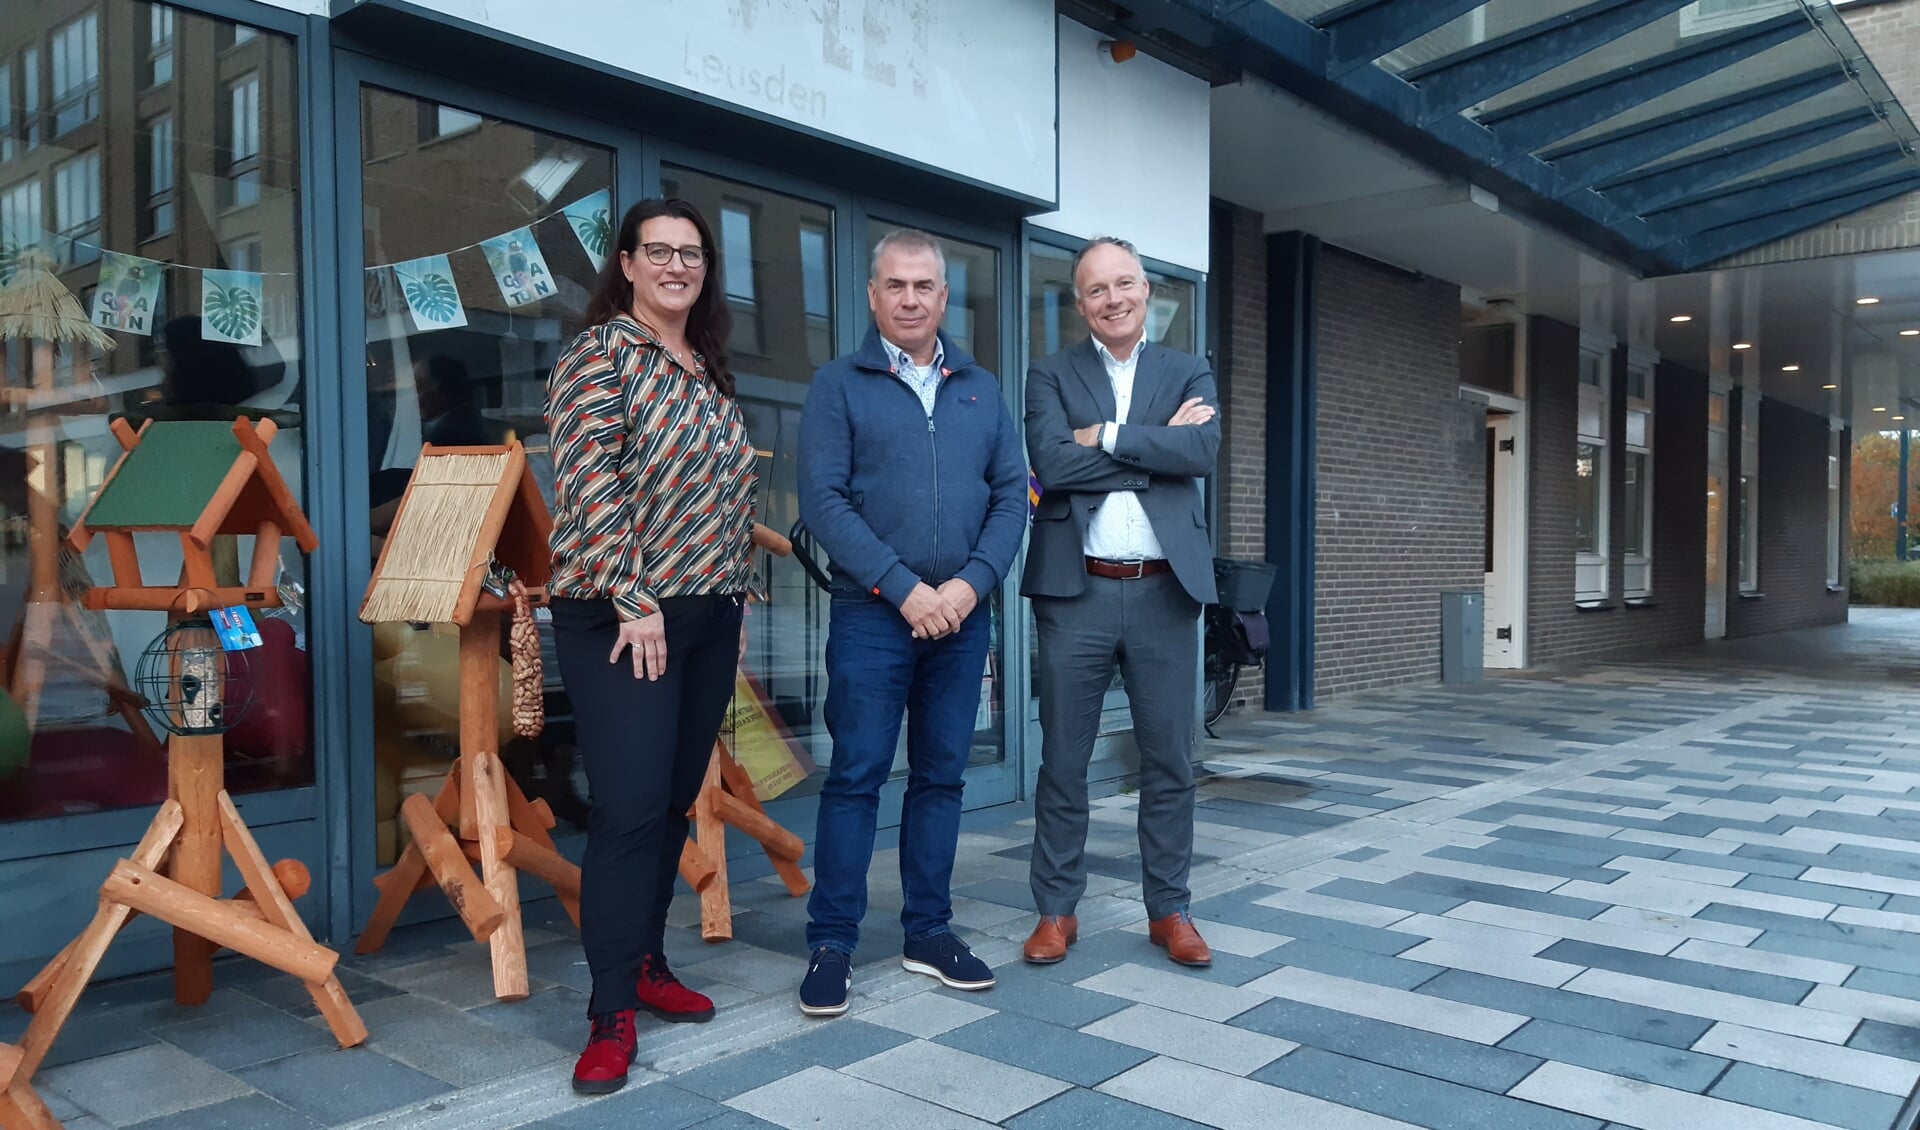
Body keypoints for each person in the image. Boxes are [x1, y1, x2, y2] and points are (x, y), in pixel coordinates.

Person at [545, 198, 757, 1095]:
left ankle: (645, 963)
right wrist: (636, 601)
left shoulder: (703, 367)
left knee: (673, 802)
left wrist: (734, 593)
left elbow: (724, 494)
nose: (677, 266)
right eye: (659, 251)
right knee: (629, 808)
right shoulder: (599, 356)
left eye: (692, 255)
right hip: (624, 611)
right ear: (626, 263)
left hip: (705, 611)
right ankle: (607, 1010)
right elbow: (588, 482)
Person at [795, 228, 1026, 1017]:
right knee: (856, 777)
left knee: (941, 777)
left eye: (924, 286)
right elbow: (823, 503)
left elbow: (1010, 496)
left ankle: (928, 930)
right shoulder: (838, 384)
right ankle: (832, 942)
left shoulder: (980, 389)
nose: (910, 298)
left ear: (943, 296)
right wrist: (903, 588)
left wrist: (968, 586)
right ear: (872, 294)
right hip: (872, 616)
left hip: (963, 619)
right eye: (895, 285)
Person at [1021, 236, 1220, 969]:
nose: (1113, 299)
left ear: (1147, 290)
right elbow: (1052, 462)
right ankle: (1055, 911)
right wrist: (1153, 448)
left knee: (1169, 759)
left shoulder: (1187, 368)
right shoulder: (1050, 373)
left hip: (1166, 592)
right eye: (1097, 289)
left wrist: (1104, 437)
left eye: (1125, 284)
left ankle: (1170, 910)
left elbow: (1200, 455)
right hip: (1077, 594)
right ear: (1081, 303)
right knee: (1063, 762)